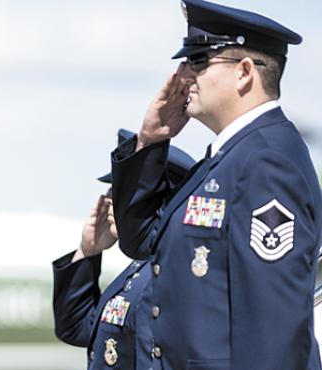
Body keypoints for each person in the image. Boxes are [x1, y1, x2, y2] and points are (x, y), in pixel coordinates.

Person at [110, 1, 321, 369]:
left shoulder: (266, 161)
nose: (182, 75)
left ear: (243, 72)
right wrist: (150, 141)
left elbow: (273, 329)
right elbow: (140, 239)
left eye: (199, 60)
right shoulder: (227, 158)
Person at [53, 130, 195, 369]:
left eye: (120, 191)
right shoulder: (140, 267)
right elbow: (76, 328)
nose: (108, 199)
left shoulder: (168, 266)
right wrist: (88, 251)